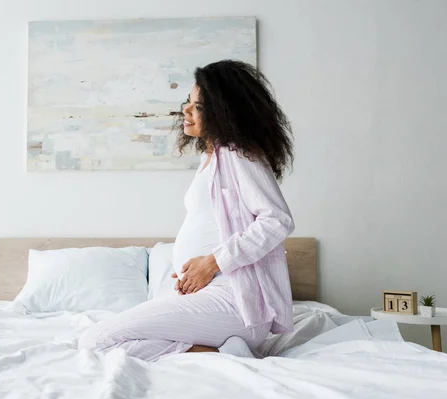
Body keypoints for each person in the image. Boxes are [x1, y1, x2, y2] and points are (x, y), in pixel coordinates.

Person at [78, 60, 295, 361]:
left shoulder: (238, 155)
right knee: (105, 341)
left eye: (199, 106)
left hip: (234, 300)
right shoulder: (213, 158)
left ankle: (218, 351)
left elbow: (277, 221)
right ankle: (220, 351)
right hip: (211, 296)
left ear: (223, 112)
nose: (186, 110)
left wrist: (212, 263)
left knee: (96, 341)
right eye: (188, 102)